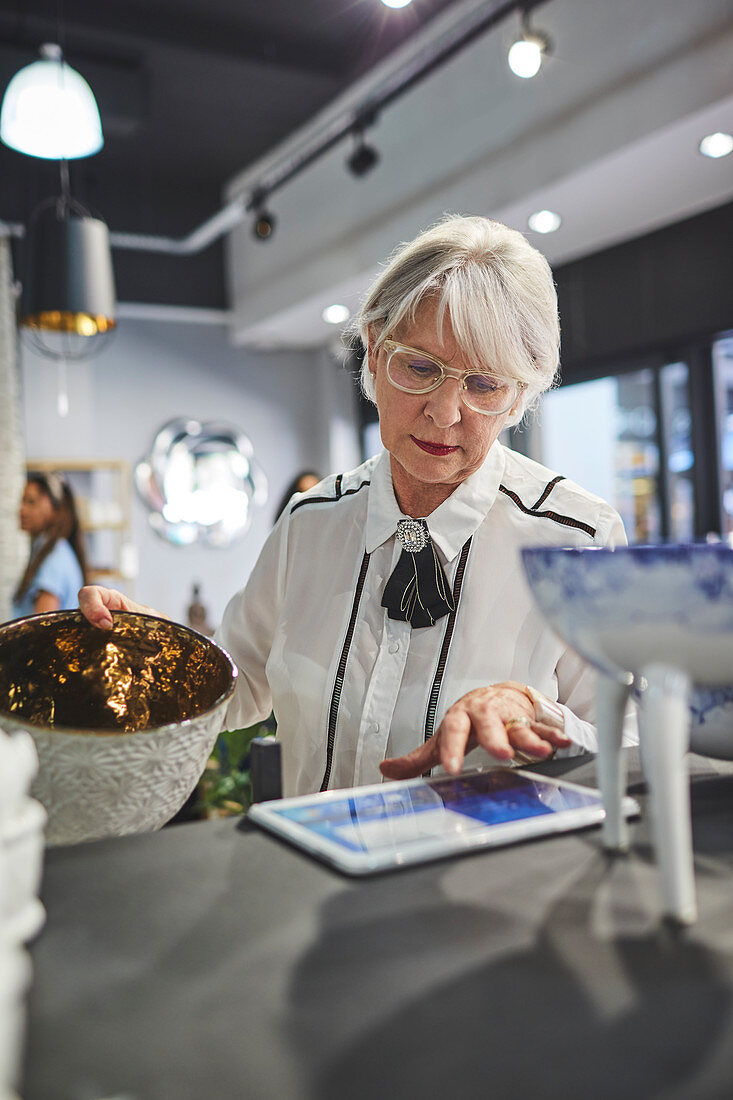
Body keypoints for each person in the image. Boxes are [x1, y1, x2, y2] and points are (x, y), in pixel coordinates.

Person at [79, 214, 636, 797]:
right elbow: (236, 688)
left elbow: (636, 746)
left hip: (477, 882)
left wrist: (533, 709)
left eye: (484, 385)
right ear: (374, 351)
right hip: (305, 876)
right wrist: (145, 649)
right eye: (420, 368)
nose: (446, 413)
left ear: (521, 394)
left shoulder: (576, 540)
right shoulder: (308, 524)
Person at [13, 473, 87, 619]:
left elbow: (41, 631)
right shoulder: (51, 551)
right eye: (22, 501)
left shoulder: (54, 559)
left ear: (54, 507)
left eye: (31, 502)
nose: (22, 509)